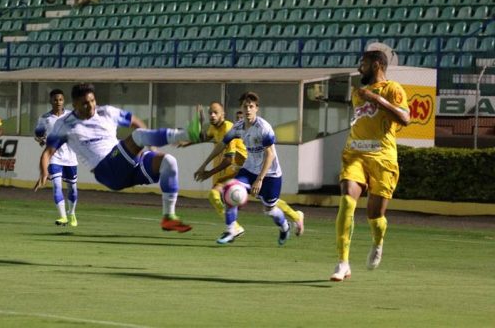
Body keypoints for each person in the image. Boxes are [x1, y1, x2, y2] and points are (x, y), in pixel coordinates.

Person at [35, 83, 204, 232]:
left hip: (127, 165)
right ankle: (188, 133)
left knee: (168, 162)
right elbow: (48, 152)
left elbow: (135, 121)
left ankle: (169, 217)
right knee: (137, 136)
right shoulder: (65, 125)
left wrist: (151, 145)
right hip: (107, 169)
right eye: (85, 103)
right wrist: (44, 172)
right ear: (75, 104)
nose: (91, 106)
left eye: (92, 100)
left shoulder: (107, 112)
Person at [330, 49, 410, 282]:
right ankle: (342, 262)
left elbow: (405, 119)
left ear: (376, 65)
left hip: (382, 156)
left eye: (362, 64)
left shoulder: (393, 89)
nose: (358, 68)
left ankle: (377, 242)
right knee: (346, 202)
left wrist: (376, 99)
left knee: (375, 216)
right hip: (355, 152)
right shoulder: (357, 93)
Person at [191, 102, 305, 236]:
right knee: (235, 195)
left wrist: (209, 173)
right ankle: (233, 227)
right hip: (244, 169)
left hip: (245, 168)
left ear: (223, 114)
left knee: (229, 194)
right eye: (210, 112)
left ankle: (235, 227)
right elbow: (202, 137)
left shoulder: (230, 128)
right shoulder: (216, 128)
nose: (212, 115)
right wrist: (199, 122)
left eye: (215, 112)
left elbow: (229, 159)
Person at [34, 89, 79, 227]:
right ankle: (63, 217)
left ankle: (71, 213)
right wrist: (42, 141)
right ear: (50, 101)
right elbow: (38, 135)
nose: (58, 102)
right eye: (55, 99)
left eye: (60, 99)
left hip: (70, 157)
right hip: (54, 157)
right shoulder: (44, 118)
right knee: (57, 186)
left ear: (63, 101)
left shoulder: (71, 116)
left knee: (72, 188)